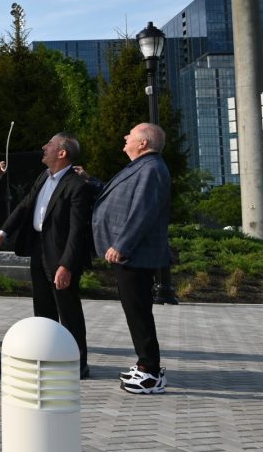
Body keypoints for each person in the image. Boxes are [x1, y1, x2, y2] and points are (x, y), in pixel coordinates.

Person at [0, 133, 94, 378]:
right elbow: (25, 205)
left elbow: (78, 231)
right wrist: (2, 234)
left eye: (49, 144)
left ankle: (77, 364)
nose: (43, 147)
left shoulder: (77, 185)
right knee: (43, 309)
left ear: (62, 153)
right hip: (39, 250)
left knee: (68, 312)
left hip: (61, 257)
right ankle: (49, 356)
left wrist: (66, 265)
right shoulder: (43, 177)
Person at [87, 122, 172, 395]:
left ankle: (150, 372)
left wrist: (122, 245)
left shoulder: (152, 169)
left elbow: (143, 212)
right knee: (135, 311)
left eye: (131, 134)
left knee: (138, 312)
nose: (125, 136)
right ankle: (146, 364)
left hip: (135, 254)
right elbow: (120, 196)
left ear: (144, 143)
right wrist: (90, 180)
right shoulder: (142, 167)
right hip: (132, 254)